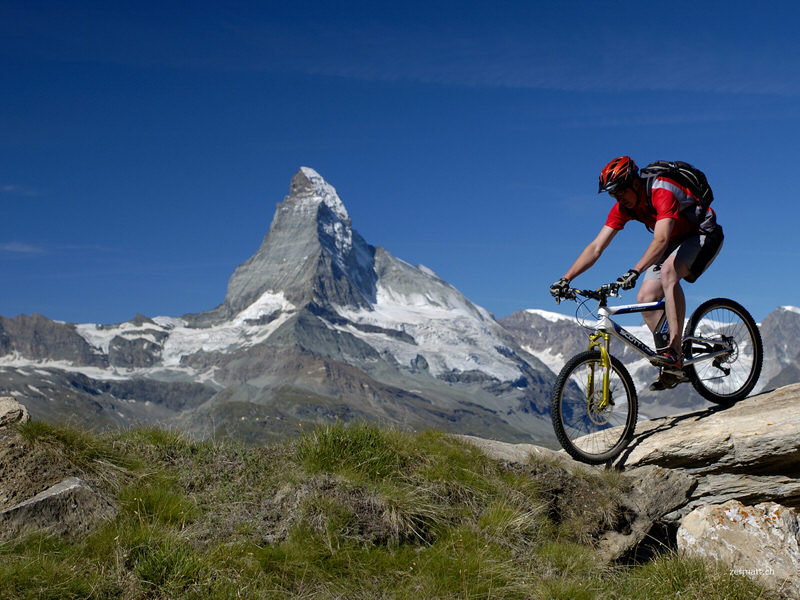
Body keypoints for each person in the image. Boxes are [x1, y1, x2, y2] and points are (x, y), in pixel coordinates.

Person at [549, 156, 724, 389]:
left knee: (669, 273)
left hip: (702, 233)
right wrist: (566, 278)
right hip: (673, 240)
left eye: (620, 190)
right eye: (612, 193)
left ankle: (675, 348)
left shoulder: (661, 191)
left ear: (634, 183)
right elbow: (596, 247)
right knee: (645, 298)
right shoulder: (623, 207)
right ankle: (673, 366)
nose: (617, 197)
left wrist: (635, 270)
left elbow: (660, 239)